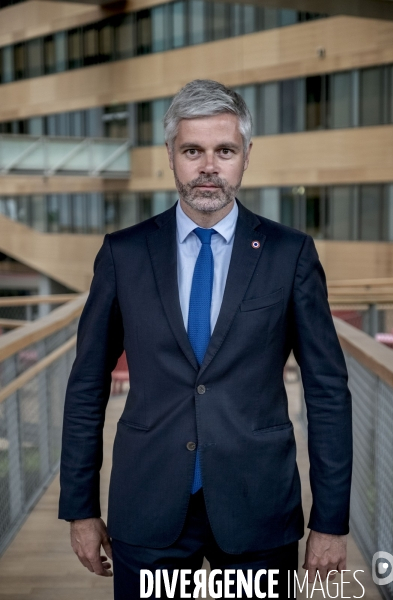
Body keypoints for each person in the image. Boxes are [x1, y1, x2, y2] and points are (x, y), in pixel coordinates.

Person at [59, 79, 352, 599]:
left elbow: (327, 390)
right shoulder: (123, 255)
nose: (209, 166)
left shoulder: (290, 255)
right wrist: (80, 507)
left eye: (224, 150)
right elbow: (86, 385)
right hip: (148, 505)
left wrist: (330, 520)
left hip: (258, 504)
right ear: (170, 156)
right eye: (193, 150)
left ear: (245, 157)